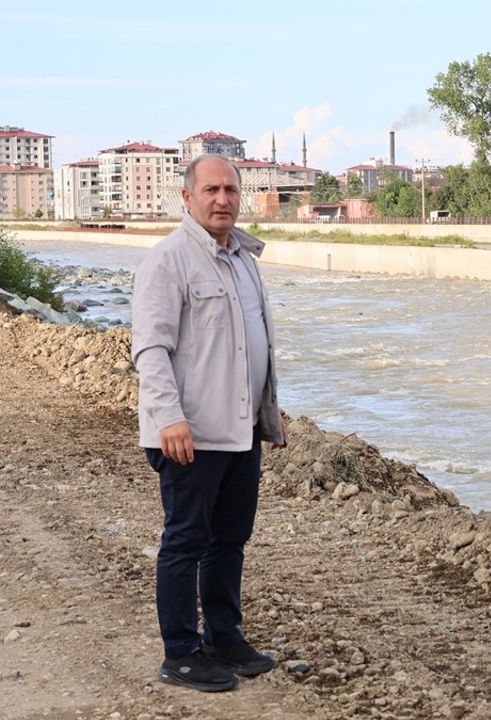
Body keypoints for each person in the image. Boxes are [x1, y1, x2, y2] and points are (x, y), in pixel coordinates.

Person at [131, 154, 287, 693]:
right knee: (186, 540)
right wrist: (169, 417)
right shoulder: (169, 261)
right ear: (187, 197)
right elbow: (151, 349)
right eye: (211, 189)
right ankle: (180, 652)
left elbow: (250, 341)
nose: (222, 199)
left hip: (241, 431)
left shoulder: (244, 258)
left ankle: (224, 637)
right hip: (190, 435)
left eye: (231, 190)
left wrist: (268, 409)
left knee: (230, 540)